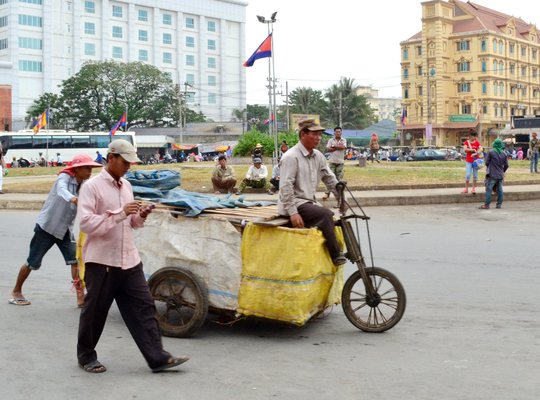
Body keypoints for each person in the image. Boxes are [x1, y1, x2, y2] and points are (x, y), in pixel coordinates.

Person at [76, 139, 188, 374]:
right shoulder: (91, 187)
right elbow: (86, 224)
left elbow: (132, 223)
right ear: (111, 158)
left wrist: (141, 215)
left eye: (130, 163)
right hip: (103, 262)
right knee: (95, 312)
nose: (128, 167)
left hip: (129, 260)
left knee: (145, 308)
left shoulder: (126, 186)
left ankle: (158, 358)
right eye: (125, 162)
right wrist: (120, 214)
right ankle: (86, 356)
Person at [8, 154, 103, 307]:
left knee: (75, 261)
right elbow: (61, 190)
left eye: (91, 168)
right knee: (32, 262)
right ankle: (16, 291)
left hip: (65, 230)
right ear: (77, 169)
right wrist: (73, 198)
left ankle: (80, 297)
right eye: (86, 168)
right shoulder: (64, 177)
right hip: (47, 227)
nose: (90, 171)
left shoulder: (85, 184)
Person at [278, 119, 346, 266]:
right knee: (325, 214)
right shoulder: (291, 157)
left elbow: (329, 179)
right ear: (303, 134)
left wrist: (341, 197)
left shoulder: (318, 156)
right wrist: (293, 212)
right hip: (295, 203)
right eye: (314, 134)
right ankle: (335, 254)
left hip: (308, 203)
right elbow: (285, 187)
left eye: (320, 134)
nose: (318, 138)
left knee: (337, 221)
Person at [480, 139, 509, 209]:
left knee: (489, 190)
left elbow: (487, 162)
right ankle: (499, 205)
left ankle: (486, 205)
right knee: (500, 190)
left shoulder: (491, 152)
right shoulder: (504, 154)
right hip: (500, 175)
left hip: (492, 174)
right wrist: (502, 171)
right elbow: (506, 165)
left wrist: (490, 167)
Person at [323, 126, 347, 199]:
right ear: (334, 133)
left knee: (339, 179)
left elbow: (343, 147)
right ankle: (327, 193)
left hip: (340, 162)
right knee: (329, 178)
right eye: (336, 132)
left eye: (339, 132)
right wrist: (338, 147)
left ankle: (339, 195)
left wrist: (334, 146)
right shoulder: (331, 140)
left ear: (341, 132)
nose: (338, 133)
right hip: (332, 162)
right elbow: (328, 149)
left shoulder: (344, 140)